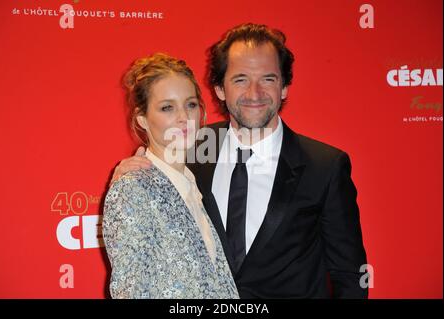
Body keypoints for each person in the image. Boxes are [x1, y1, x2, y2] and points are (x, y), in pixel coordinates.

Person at [111, 23, 368, 298]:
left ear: (284, 87)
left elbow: (349, 275)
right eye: (241, 79)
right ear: (220, 89)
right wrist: (129, 175)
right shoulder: (193, 147)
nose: (255, 93)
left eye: (268, 79)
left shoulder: (324, 166)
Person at [103, 53, 239, 299]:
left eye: (191, 104)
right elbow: (131, 293)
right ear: (142, 119)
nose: (184, 118)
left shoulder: (195, 185)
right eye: (167, 107)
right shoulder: (133, 190)